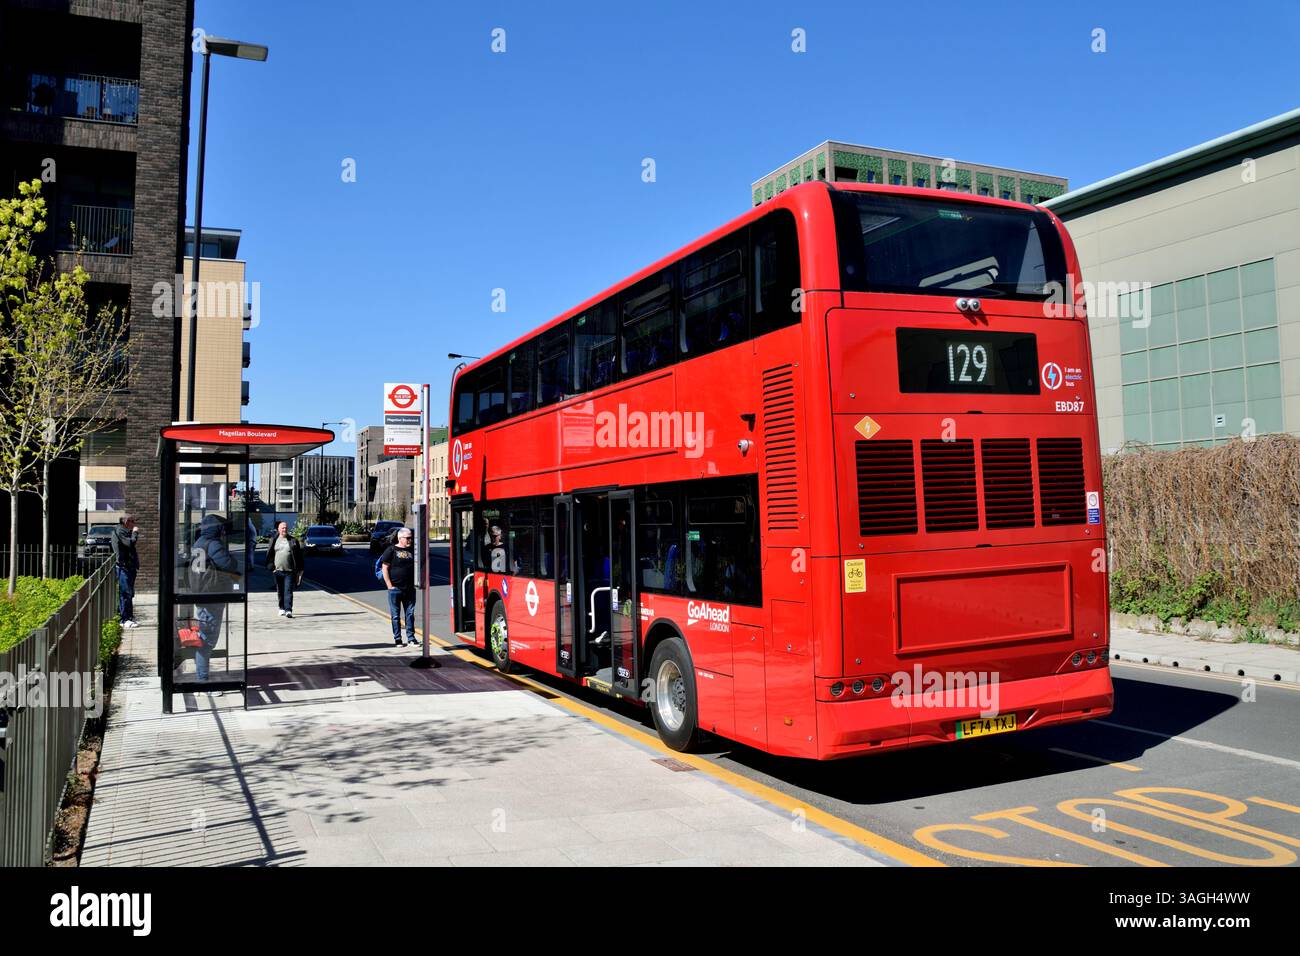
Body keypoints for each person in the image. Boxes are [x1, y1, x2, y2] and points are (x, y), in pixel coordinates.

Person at [190, 514, 240, 682]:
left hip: (201, 594)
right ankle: (202, 681)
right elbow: (229, 564)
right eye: (221, 527)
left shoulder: (199, 543)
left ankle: (202, 677)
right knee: (207, 641)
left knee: (206, 638)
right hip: (212, 596)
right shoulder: (213, 544)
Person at [381, 527, 418, 647]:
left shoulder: (413, 550)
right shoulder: (391, 550)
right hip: (395, 589)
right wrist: (389, 586)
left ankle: (411, 638)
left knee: (410, 614)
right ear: (400, 538)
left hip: (409, 589)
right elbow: (385, 568)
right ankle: (398, 639)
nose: (410, 540)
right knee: (396, 615)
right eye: (407, 538)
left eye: (411, 538)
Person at [262, 521, 304, 619]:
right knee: (280, 591)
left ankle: (288, 610)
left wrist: (300, 569)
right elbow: (269, 555)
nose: (284, 529)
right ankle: (281, 608)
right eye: (282, 528)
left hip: (290, 571)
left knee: (288, 591)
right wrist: (271, 568)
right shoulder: (274, 540)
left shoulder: (293, 540)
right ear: (278, 529)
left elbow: (299, 556)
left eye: (285, 528)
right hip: (277, 571)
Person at [110, 515, 140, 628]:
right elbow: (130, 543)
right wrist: (135, 533)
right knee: (125, 593)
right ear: (126, 522)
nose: (134, 524)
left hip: (130, 567)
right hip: (124, 567)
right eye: (132, 521)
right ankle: (124, 619)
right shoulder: (120, 531)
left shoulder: (124, 531)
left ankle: (130, 617)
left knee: (130, 593)